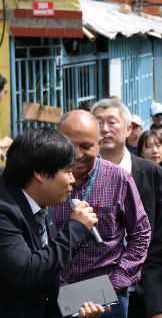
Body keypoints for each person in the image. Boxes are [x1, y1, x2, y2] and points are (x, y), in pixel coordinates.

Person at [0, 127, 105, 318]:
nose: (72, 180)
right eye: (67, 171)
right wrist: (76, 229)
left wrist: (77, 307)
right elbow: (26, 272)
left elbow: (47, 272)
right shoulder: (4, 211)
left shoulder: (43, 207)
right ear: (39, 173)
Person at [89, 99, 162, 317]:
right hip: (99, 291)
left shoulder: (152, 172)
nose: (104, 129)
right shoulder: (83, 177)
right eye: (98, 123)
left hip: (146, 288)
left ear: (128, 129)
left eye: (112, 122)